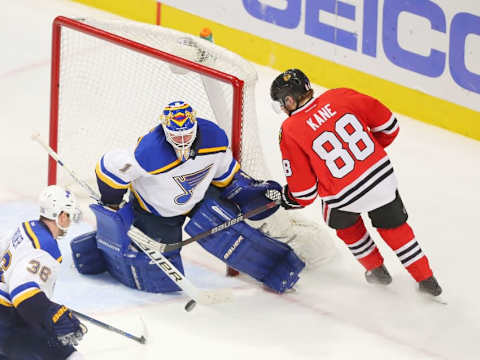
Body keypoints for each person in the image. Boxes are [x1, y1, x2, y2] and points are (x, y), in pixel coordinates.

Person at [86, 100, 305, 294]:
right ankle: (99, 255)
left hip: (198, 199)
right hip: (155, 212)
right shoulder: (149, 152)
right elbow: (108, 169)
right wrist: (112, 203)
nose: (182, 140)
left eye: (186, 134)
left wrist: (256, 195)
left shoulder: (214, 139)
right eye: (176, 136)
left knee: (235, 235)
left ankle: (279, 269)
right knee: (161, 279)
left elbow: (227, 177)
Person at [267, 68, 442, 297]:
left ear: (289, 100)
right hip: (381, 180)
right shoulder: (339, 95)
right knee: (396, 229)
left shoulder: (289, 130)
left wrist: (288, 199)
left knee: (344, 223)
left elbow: (305, 191)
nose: (282, 107)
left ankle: (376, 270)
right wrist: (369, 155)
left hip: (343, 197)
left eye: (282, 102)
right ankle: (427, 281)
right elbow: (390, 126)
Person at [0, 185, 87, 359]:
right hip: (9, 323)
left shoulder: (25, 228)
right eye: (68, 215)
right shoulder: (45, 249)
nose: (69, 221)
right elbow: (22, 293)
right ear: (61, 215)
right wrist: (53, 314)